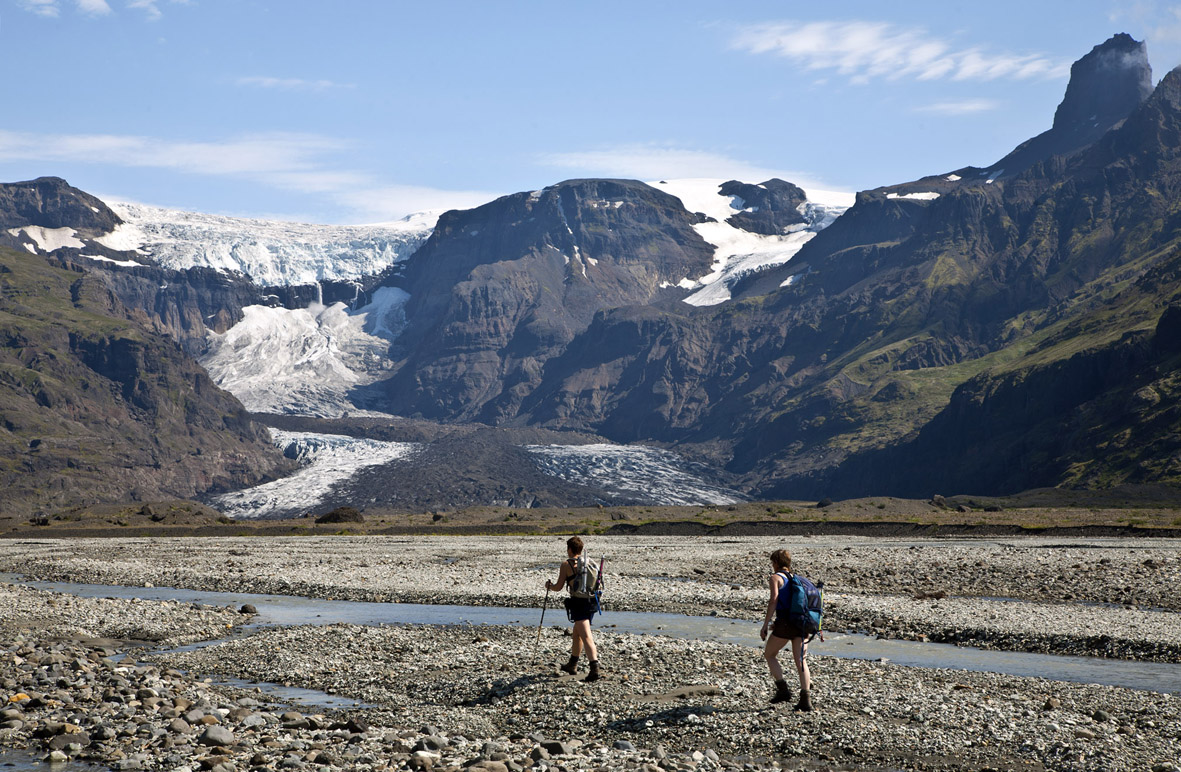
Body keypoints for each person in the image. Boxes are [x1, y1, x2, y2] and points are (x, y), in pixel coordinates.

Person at [760, 548, 813, 710]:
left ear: (775, 563)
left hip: (786, 625)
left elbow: (773, 601)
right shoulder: (798, 579)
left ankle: (783, 691)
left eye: (772, 562)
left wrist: (766, 624)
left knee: (769, 654)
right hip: (803, 624)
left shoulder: (775, 578)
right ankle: (805, 700)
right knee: (801, 661)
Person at [545, 535, 602, 682]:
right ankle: (573, 664)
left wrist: (549, 586)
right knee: (577, 633)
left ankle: (594, 668)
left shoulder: (566, 564)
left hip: (578, 602)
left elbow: (558, 587)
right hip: (592, 602)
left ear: (570, 549)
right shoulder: (589, 562)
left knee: (586, 635)